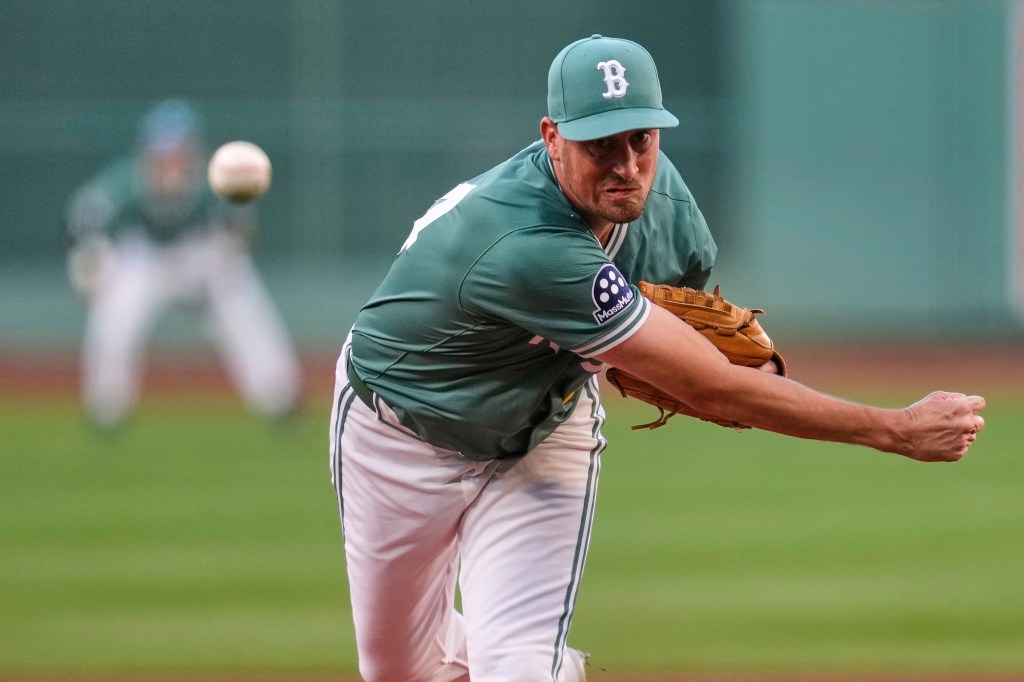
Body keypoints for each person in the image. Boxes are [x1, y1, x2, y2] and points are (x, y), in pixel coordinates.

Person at [328, 35, 985, 681]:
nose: (627, 165)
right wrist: (894, 429)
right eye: (600, 144)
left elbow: (694, 347)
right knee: (398, 669)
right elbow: (716, 389)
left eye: (640, 137)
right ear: (552, 137)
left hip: (542, 431)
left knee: (517, 665)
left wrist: (655, 356)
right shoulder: (526, 244)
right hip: (400, 436)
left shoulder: (662, 205)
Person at [64, 99, 302, 428]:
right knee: (116, 313)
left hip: (197, 254)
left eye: (179, 151)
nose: (171, 162)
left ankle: (278, 396)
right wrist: (92, 260)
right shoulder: (125, 182)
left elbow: (240, 230)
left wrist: (227, 252)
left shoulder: (216, 179)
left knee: (242, 298)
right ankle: (107, 405)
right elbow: (84, 219)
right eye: (164, 153)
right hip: (143, 257)